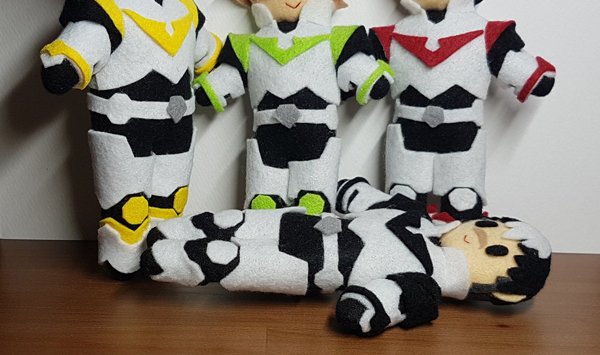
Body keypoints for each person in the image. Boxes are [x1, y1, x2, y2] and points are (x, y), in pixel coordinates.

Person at [40, 0, 220, 277]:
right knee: (127, 205)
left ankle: (163, 258)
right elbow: (81, 46)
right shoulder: (104, 6)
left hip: (179, 126)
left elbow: (206, 54)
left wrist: (225, 70)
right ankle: (122, 259)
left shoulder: (184, 10)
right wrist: (66, 64)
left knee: (170, 200)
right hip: (122, 126)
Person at [142, 177, 551, 337]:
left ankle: (189, 261)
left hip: (316, 267)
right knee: (235, 222)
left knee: (238, 260)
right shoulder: (419, 218)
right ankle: (181, 231)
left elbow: (387, 301)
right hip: (309, 222)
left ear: (506, 292)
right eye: (492, 225)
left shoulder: (426, 281)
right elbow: (359, 195)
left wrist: (368, 309)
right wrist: (355, 192)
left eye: (497, 250)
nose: (480, 235)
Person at [371, 0, 555, 219]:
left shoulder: (486, 33)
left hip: (463, 134)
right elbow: (361, 68)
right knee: (404, 201)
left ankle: (461, 212)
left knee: (462, 201)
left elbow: (511, 61)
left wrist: (530, 74)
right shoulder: (393, 36)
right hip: (408, 133)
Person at [195, 0, 392, 214]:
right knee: (263, 194)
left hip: (316, 129)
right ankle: (265, 198)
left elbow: (353, 67)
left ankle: (313, 196)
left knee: (314, 194)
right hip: (267, 131)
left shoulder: (336, 40)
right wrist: (211, 88)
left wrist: (369, 77)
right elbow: (230, 75)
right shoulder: (248, 46)